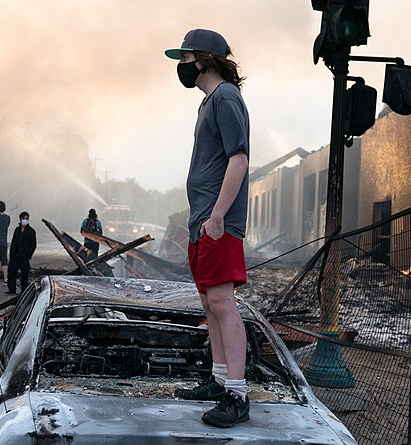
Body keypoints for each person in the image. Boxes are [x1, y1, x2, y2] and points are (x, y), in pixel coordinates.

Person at [165, 29, 251, 428]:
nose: (180, 67)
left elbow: (239, 159)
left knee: (222, 303)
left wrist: (217, 216)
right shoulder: (209, 103)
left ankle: (237, 393)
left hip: (219, 223)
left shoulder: (227, 97)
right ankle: (219, 380)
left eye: (184, 58)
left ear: (203, 59)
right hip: (203, 222)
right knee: (208, 303)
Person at [7, 211, 36, 295]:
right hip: (15, 256)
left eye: (27, 219)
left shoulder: (31, 231)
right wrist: (12, 254)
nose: (25, 220)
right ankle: (11, 290)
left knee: (24, 274)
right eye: (24, 218)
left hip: (24, 257)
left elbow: (33, 245)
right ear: (20, 219)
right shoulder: (17, 230)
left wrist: (28, 255)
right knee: (12, 273)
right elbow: (13, 242)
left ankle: (24, 291)